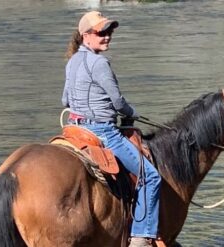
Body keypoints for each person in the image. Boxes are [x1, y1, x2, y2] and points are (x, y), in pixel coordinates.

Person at [61, 11, 161, 247]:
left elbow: (65, 100)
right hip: (102, 132)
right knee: (151, 177)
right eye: (101, 32)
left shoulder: (72, 61)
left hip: (74, 129)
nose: (107, 37)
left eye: (109, 32)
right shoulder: (100, 63)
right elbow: (117, 102)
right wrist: (132, 113)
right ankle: (141, 236)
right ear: (86, 36)